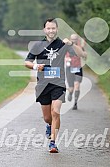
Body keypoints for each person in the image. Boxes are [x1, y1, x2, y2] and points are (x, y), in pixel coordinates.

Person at [24, 18, 84, 153]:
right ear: (44, 30)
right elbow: (26, 62)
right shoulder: (37, 45)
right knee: (47, 117)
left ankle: (53, 142)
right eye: (48, 28)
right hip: (43, 85)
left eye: (53, 28)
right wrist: (35, 66)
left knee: (55, 112)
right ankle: (49, 125)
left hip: (58, 84)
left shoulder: (62, 44)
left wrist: (72, 44)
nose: (51, 31)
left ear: (57, 29)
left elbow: (81, 55)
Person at [65, 34, 87, 110]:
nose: (74, 40)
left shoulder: (79, 47)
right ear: (70, 39)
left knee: (77, 85)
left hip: (78, 68)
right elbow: (61, 56)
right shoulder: (66, 47)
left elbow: (85, 56)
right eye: (72, 39)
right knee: (71, 88)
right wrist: (66, 59)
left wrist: (84, 51)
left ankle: (75, 103)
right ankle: (70, 92)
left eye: (75, 39)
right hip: (69, 68)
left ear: (77, 40)